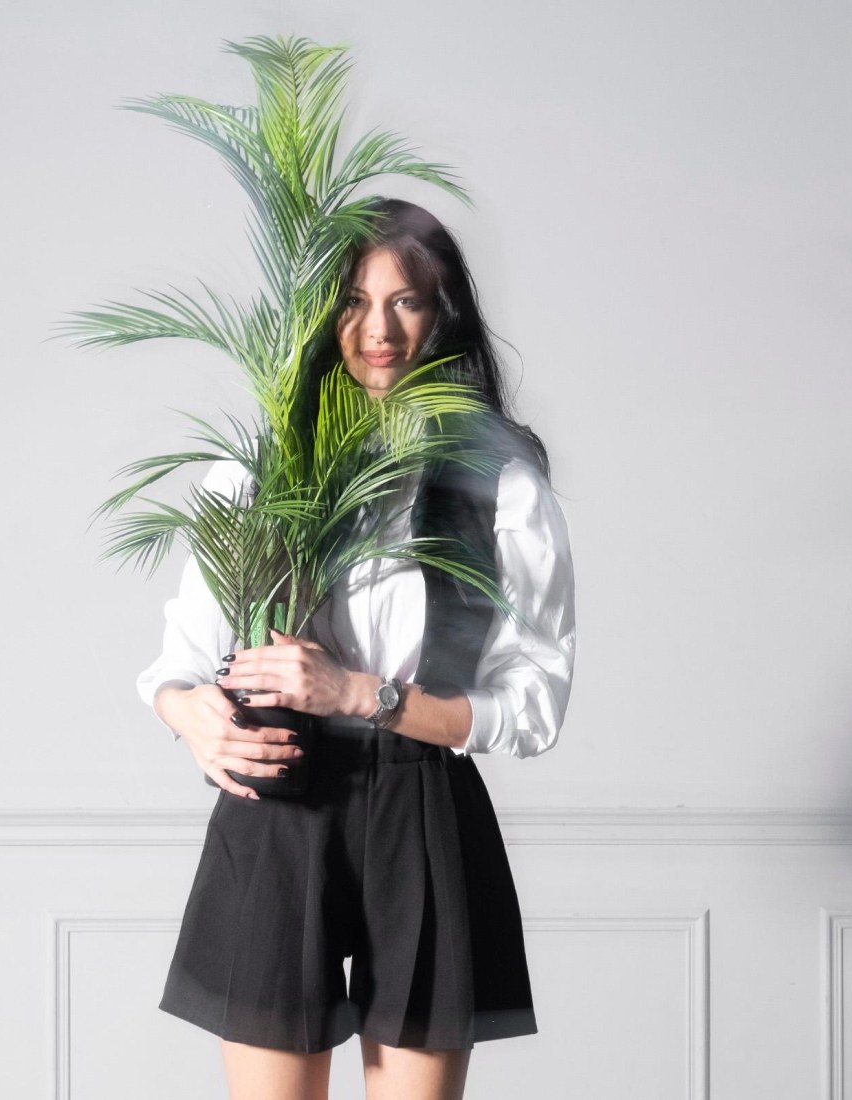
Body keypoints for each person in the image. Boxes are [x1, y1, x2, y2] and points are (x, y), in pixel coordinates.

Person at [137, 199, 576, 1100]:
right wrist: (194, 721)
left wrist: (360, 693)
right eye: (353, 301)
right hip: (280, 803)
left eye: (406, 300)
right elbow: (176, 665)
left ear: (442, 312)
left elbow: (534, 705)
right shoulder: (257, 468)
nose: (378, 329)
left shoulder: (500, 482)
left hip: (421, 806)